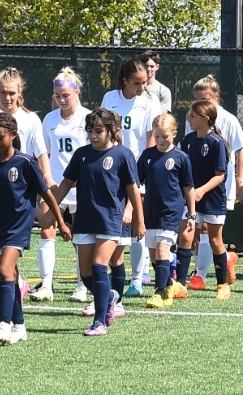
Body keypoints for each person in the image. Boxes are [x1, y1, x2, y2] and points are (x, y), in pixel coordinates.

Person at [0, 114, 68, 346]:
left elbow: (46, 194)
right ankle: (20, 326)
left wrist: (60, 222)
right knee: (10, 276)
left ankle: (4, 322)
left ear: (13, 135)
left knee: (3, 269)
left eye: (0, 137)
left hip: (19, 226)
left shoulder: (25, 163)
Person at [61, 108, 142, 337]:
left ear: (112, 131)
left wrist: (139, 220)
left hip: (110, 220)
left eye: (98, 131)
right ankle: (109, 298)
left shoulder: (122, 155)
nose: (93, 136)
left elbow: (133, 190)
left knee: (99, 266)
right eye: (89, 131)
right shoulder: (81, 154)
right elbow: (67, 183)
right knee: (86, 274)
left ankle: (100, 322)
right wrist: (52, 208)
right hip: (85, 219)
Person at [0, 67, 52, 298]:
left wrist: (47, 179)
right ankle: (16, 285)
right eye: (3, 92)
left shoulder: (30, 119)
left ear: (20, 93)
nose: (7, 98)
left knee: (20, 240)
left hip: (22, 190)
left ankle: (43, 285)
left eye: (11, 93)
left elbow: (41, 152)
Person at [184, 75, 243, 292]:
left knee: (211, 233)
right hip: (196, 187)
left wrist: (239, 180)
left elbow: (241, 150)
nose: (199, 104)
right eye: (197, 99)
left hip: (218, 188)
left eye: (205, 99)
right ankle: (204, 272)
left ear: (216, 97)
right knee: (197, 230)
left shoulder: (228, 120)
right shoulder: (191, 120)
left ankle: (209, 273)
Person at [98, 57, 154, 295]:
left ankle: (137, 279)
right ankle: (115, 273)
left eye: (145, 82)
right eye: (137, 83)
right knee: (114, 221)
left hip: (136, 169)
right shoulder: (110, 98)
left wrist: (145, 168)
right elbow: (103, 128)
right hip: (112, 168)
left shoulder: (149, 103)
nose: (142, 87)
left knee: (136, 224)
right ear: (125, 81)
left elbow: (151, 137)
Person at [136, 113, 194, 309]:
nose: (161, 140)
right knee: (154, 256)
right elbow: (136, 182)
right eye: (157, 136)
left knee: (162, 251)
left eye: (165, 136)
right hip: (151, 211)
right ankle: (171, 284)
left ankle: (159, 293)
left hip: (171, 212)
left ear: (174, 134)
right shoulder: (147, 156)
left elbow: (188, 187)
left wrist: (191, 214)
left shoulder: (181, 158)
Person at [43, 68, 90, 301]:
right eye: (57, 95)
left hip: (81, 188)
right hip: (55, 187)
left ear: (76, 92)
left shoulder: (87, 118)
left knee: (80, 237)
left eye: (65, 95)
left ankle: (82, 285)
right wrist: (48, 180)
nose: (61, 100)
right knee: (46, 230)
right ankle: (45, 285)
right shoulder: (49, 119)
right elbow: (46, 153)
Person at [178, 100, 233, 300]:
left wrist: (201, 190)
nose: (189, 119)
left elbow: (220, 175)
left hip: (213, 199)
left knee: (215, 240)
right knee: (185, 236)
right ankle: (180, 284)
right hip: (192, 199)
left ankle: (222, 284)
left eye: (192, 116)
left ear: (205, 119)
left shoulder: (216, 142)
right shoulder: (188, 140)